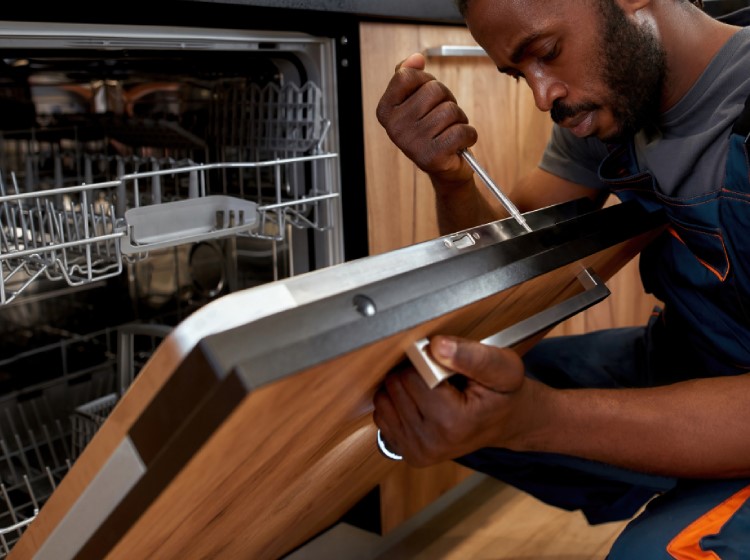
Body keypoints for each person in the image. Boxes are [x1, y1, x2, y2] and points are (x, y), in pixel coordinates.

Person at [371, 0, 750, 557]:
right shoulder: (611, 99)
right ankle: (690, 471)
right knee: (431, 395)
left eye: (546, 53)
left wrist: (534, 420)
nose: (542, 95)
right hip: (694, 355)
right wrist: (453, 182)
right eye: (519, 73)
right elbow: (515, 275)